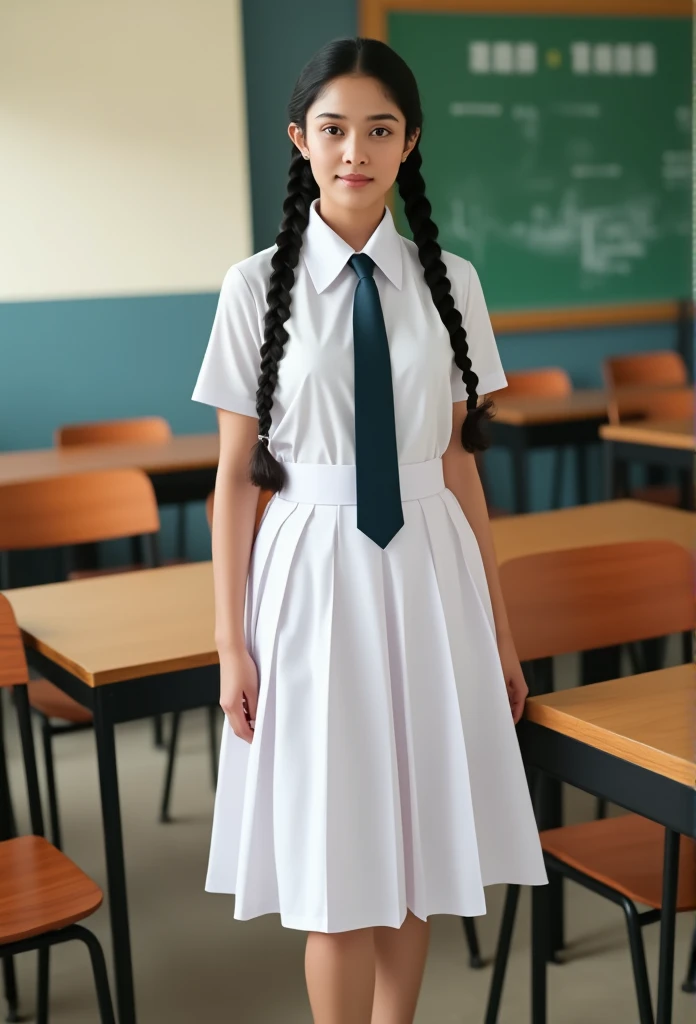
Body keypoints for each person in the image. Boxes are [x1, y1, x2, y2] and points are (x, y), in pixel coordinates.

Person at [192, 36, 546, 1024]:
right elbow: (232, 482)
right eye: (337, 129)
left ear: (410, 143)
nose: (357, 150)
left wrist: (501, 629)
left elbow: (459, 463)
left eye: (380, 130)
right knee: (334, 850)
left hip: (430, 568)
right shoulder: (250, 286)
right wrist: (231, 642)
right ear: (302, 139)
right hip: (309, 571)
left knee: (419, 844)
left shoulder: (456, 283)